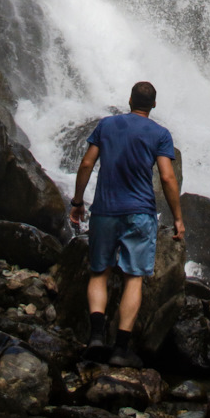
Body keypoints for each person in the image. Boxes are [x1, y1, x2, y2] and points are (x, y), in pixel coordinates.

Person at [69, 80, 185, 367]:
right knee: (134, 277)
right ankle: (121, 349)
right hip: (140, 213)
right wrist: (178, 218)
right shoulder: (160, 133)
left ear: (129, 99)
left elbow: (86, 164)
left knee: (100, 273)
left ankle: (96, 338)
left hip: (105, 210)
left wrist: (77, 201)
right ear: (154, 105)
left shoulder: (107, 125)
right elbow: (168, 177)